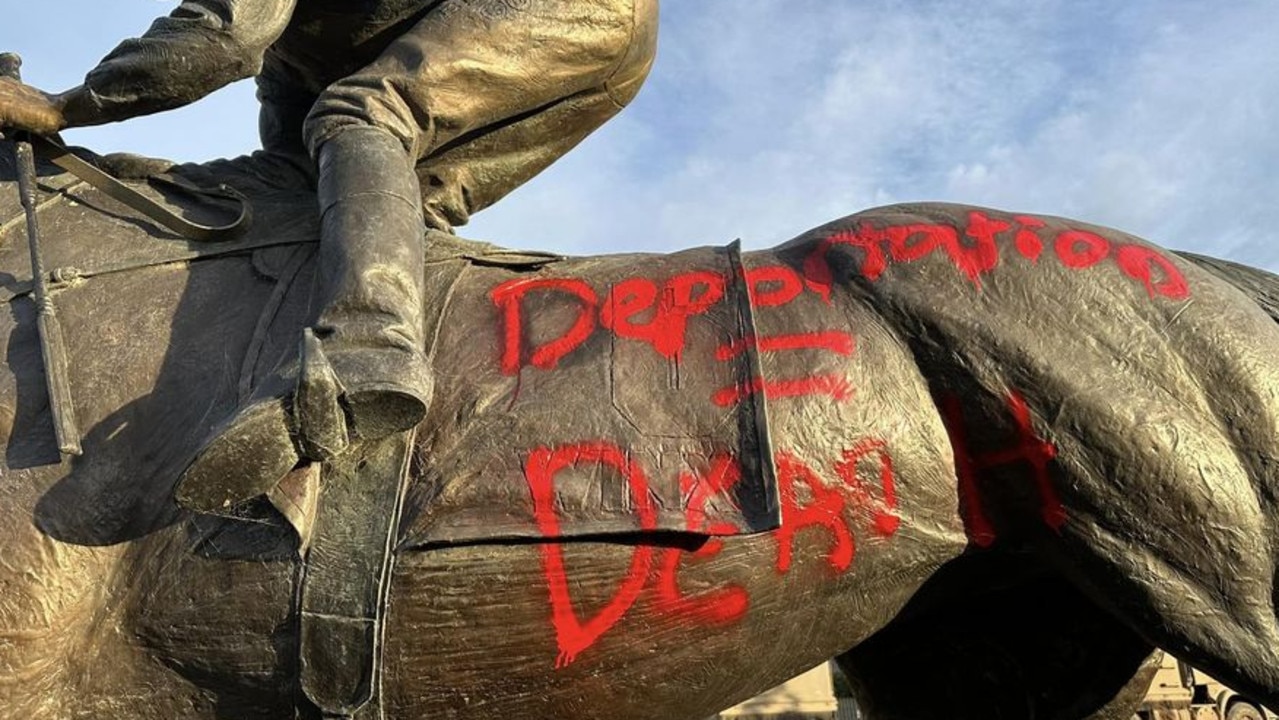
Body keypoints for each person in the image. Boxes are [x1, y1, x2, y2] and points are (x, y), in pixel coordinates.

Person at [0, 0, 658, 509]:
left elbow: (219, 39)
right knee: (363, 192)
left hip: (564, 13)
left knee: (364, 114)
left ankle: (370, 349)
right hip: (596, 39)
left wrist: (64, 107)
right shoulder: (302, 57)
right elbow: (285, 176)